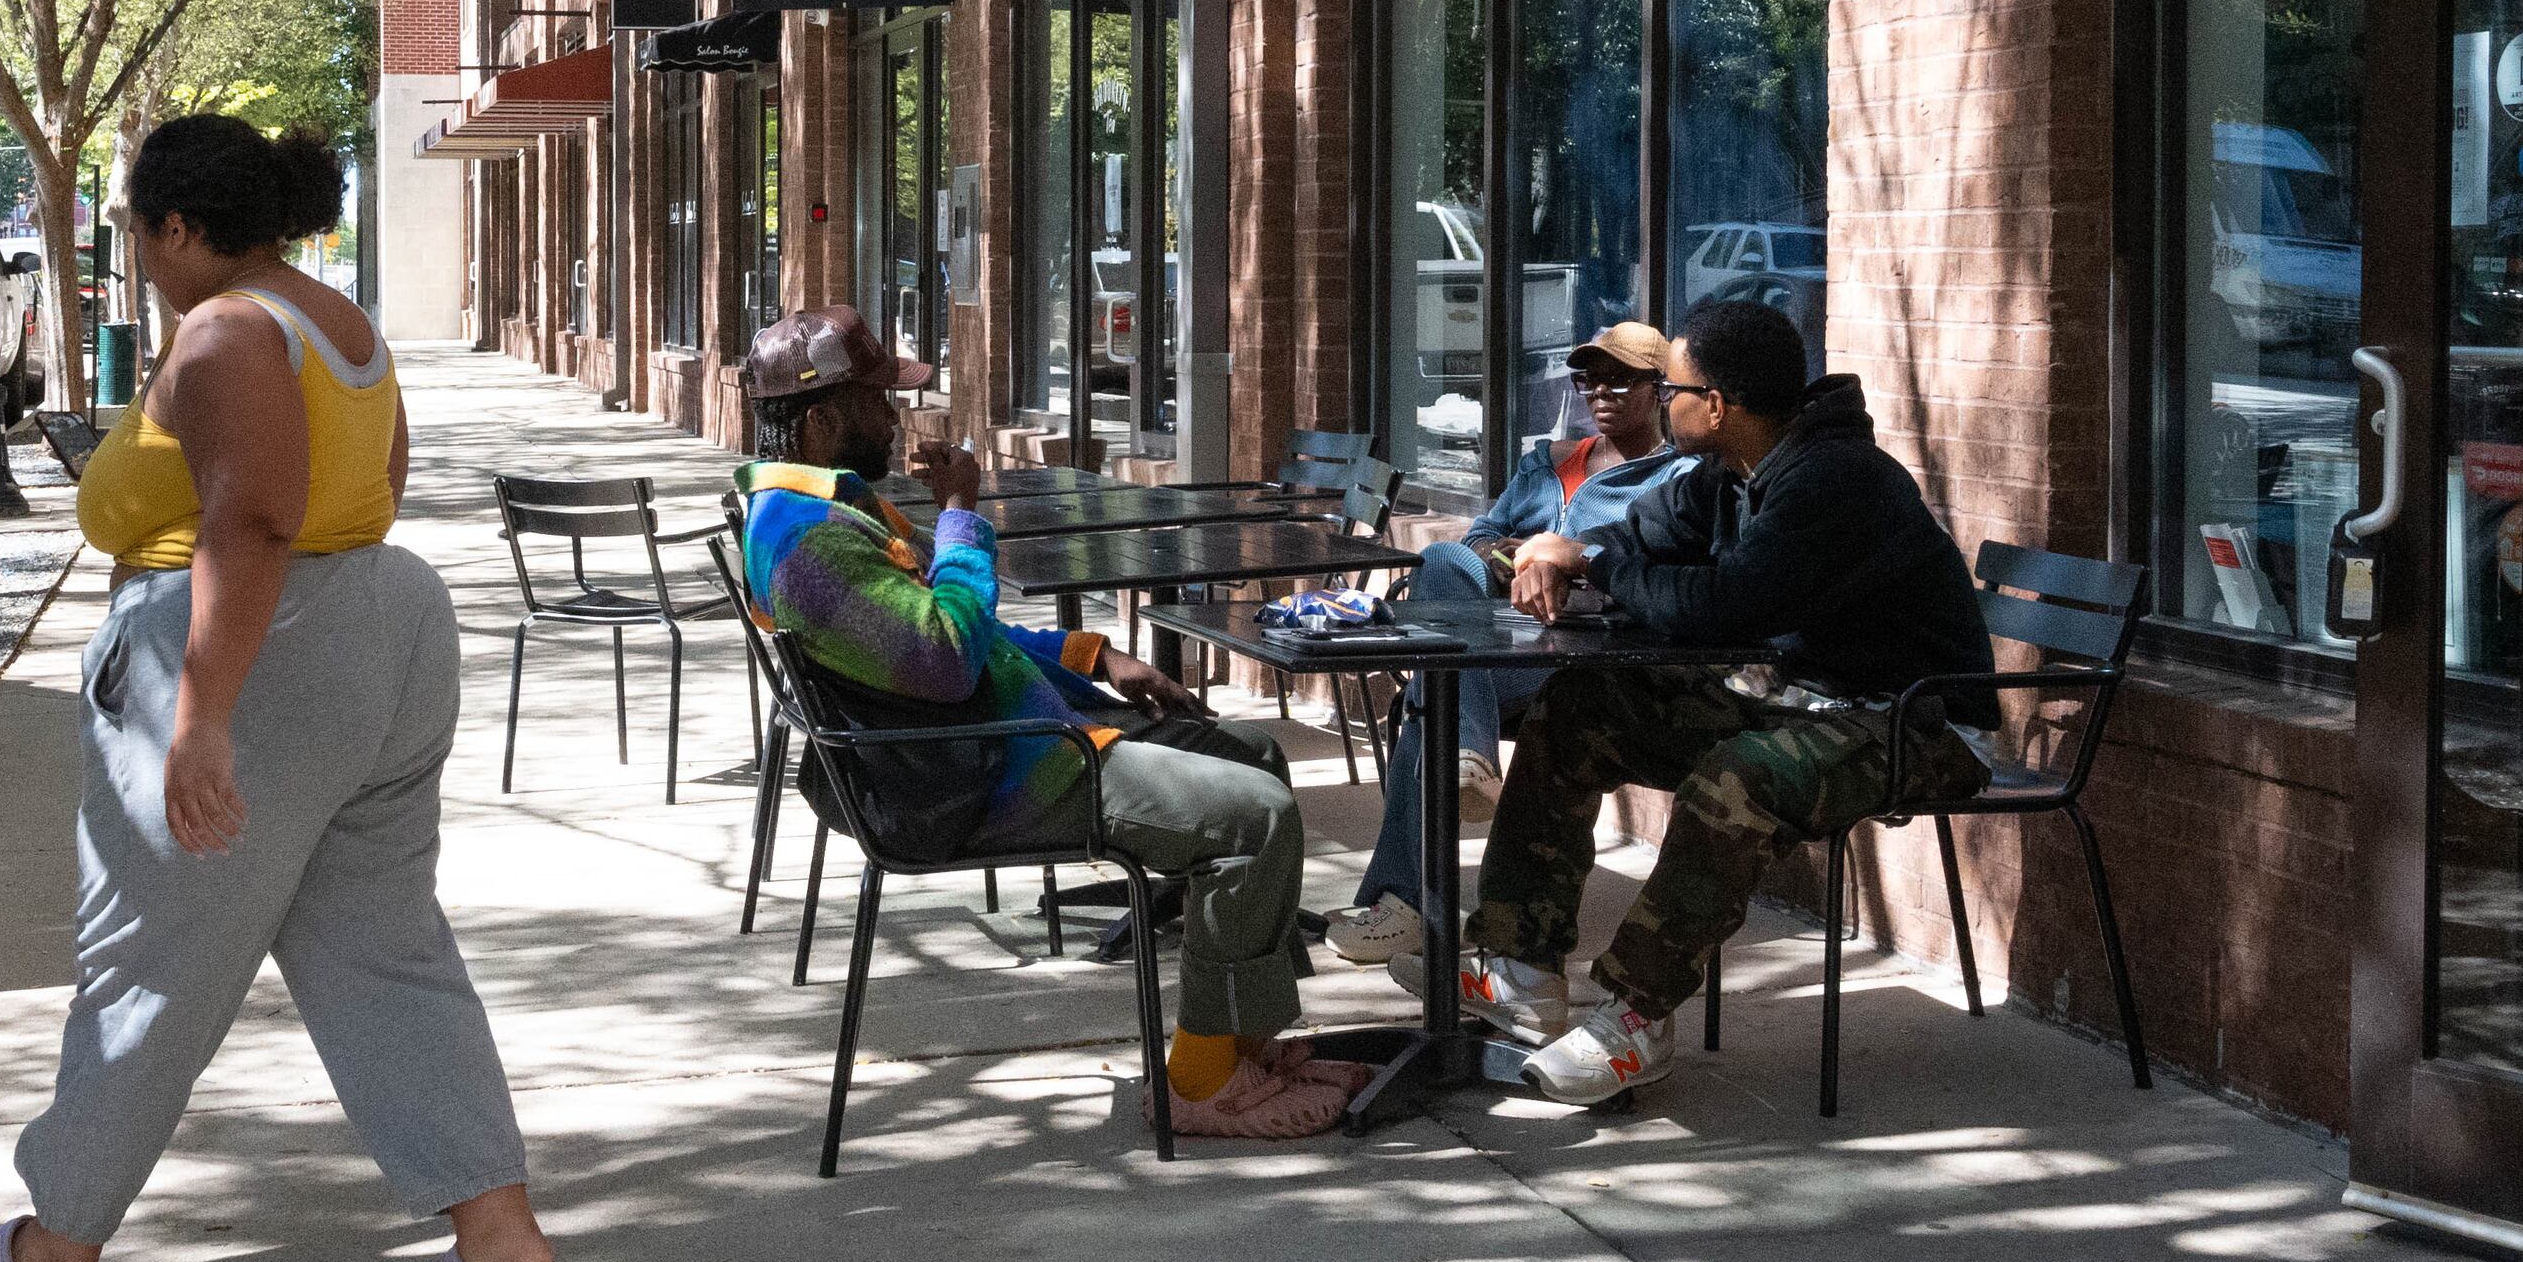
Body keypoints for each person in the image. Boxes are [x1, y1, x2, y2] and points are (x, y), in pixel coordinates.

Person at [0, 116, 564, 1262]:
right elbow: (376, 487)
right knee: (386, 950)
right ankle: (502, 1245)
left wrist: (200, 716)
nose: (138, 259)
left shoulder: (223, 332)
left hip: (255, 652)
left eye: (140, 233)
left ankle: (56, 1251)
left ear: (182, 226)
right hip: (384, 629)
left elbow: (250, 522)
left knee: (154, 953)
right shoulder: (337, 324)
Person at [736, 306, 1349, 1139]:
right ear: (823, 419)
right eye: (882, 400)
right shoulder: (806, 540)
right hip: (1004, 772)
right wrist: (960, 514)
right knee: (1256, 813)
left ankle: (1241, 1040)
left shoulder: (835, 510)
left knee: (1251, 748)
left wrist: (1092, 657)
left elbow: (958, 637)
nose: (897, 416)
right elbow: (948, 657)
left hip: (1019, 737)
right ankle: (1201, 1082)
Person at [1423, 297, 1995, 1106]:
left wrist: (1596, 567)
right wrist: (1571, 550)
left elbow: (1725, 608)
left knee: (1739, 777)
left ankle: (1635, 1021)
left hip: (1918, 720)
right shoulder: (1730, 476)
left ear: (1716, 406)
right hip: (1806, 702)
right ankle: (1520, 968)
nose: (1665, 403)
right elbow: (1640, 540)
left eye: (1672, 391)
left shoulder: (1835, 481)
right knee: (1581, 704)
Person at [1324, 321, 1721, 965]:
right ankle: (1471, 758)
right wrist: (1519, 559)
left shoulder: (1673, 483)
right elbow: (1482, 535)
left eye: (1621, 379)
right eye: (1589, 379)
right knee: (1448, 561)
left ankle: (1404, 902)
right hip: (1499, 649)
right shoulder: (1547, 461)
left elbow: (1654, 578)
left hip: (1580, 660)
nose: (1602, 392)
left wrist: (1570, 566)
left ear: (1658, 390)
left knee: (1432, 692)